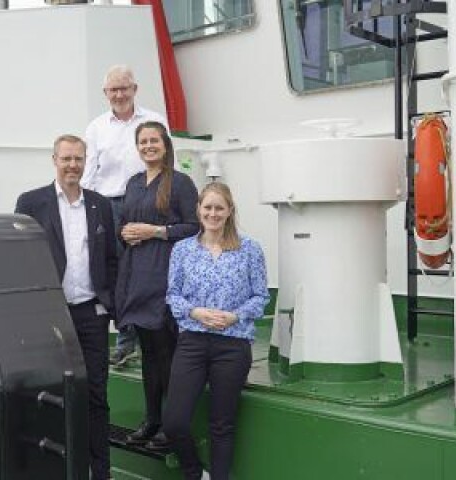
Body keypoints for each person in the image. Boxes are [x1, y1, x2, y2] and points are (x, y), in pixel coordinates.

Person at [15, 134, 117, 480]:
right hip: (50, 315)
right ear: (54, 160)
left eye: (78, 159)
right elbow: (22, 259)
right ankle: (57, 469)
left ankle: (100, 473)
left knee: (96, 397)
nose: (73, 165)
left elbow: (110, 259)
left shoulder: (100, 205)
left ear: (85, 161)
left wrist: (110, 303)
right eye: (66, 159)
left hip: (91, 314)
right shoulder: (31, 203)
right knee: (52, 395)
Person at [164, 182, 269, 480]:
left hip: (232, 346)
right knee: (174, 422)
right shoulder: (182, 250)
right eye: (207, 207)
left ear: (229, 211)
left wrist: (234, 316)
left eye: (219, 208)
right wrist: (195, 312)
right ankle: (195, 473)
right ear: (198, 209)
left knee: (222, 424)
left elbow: (261, 296)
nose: (213, 213)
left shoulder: (250, 249)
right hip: (192, 342)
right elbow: (173, 295)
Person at [115, 121, 199, 450]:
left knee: (168, 353)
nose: (149, 146)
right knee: (149, 353)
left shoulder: (180, 183)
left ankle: (171, 423)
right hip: (136, 272)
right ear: (138, 148)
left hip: (164, 272)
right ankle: (152, 419)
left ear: (165, 145)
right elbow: (124, 222)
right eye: (143, 141)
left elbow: (194, 227)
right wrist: (126, 233)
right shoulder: (134, 183)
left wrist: (156, 231)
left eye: (154, 141)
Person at [82, 64, 168, 367]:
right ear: (105, 93)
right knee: (116, 272)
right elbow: (88, 172)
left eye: (124, 88)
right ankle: (125, 339)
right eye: (113, 89)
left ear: (135, 89)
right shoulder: (95, 128)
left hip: (145, 201)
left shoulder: (155, 121)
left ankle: (152, 336)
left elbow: (164, 161)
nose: (119, 94)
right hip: (108, 205)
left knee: (146, 270)